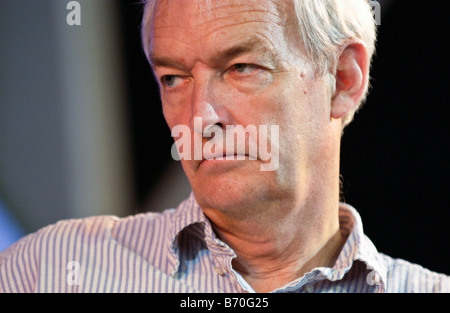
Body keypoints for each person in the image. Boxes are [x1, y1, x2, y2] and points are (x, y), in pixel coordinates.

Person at [0, 0, 448, 293]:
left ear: (344, 80)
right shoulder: (48, 272)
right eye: (174, 78)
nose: (201, 117)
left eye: (240, 67)